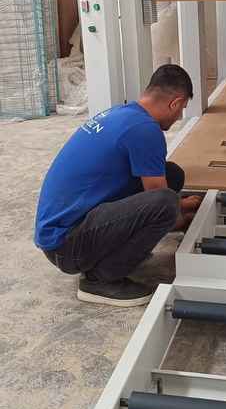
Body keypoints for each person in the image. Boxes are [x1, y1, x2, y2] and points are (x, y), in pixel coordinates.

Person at [34, 65, 201, 307]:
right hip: (66, 245)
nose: (178, 118)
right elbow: (159, 198)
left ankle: (112, 255)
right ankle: (101, 279)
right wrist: (182, 219)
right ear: (175, 103)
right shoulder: (146, 130)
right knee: (164, 203)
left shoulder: (124, 114)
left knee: (171, 175)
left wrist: (181, 206)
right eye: (181, 109)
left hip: (63, 228)